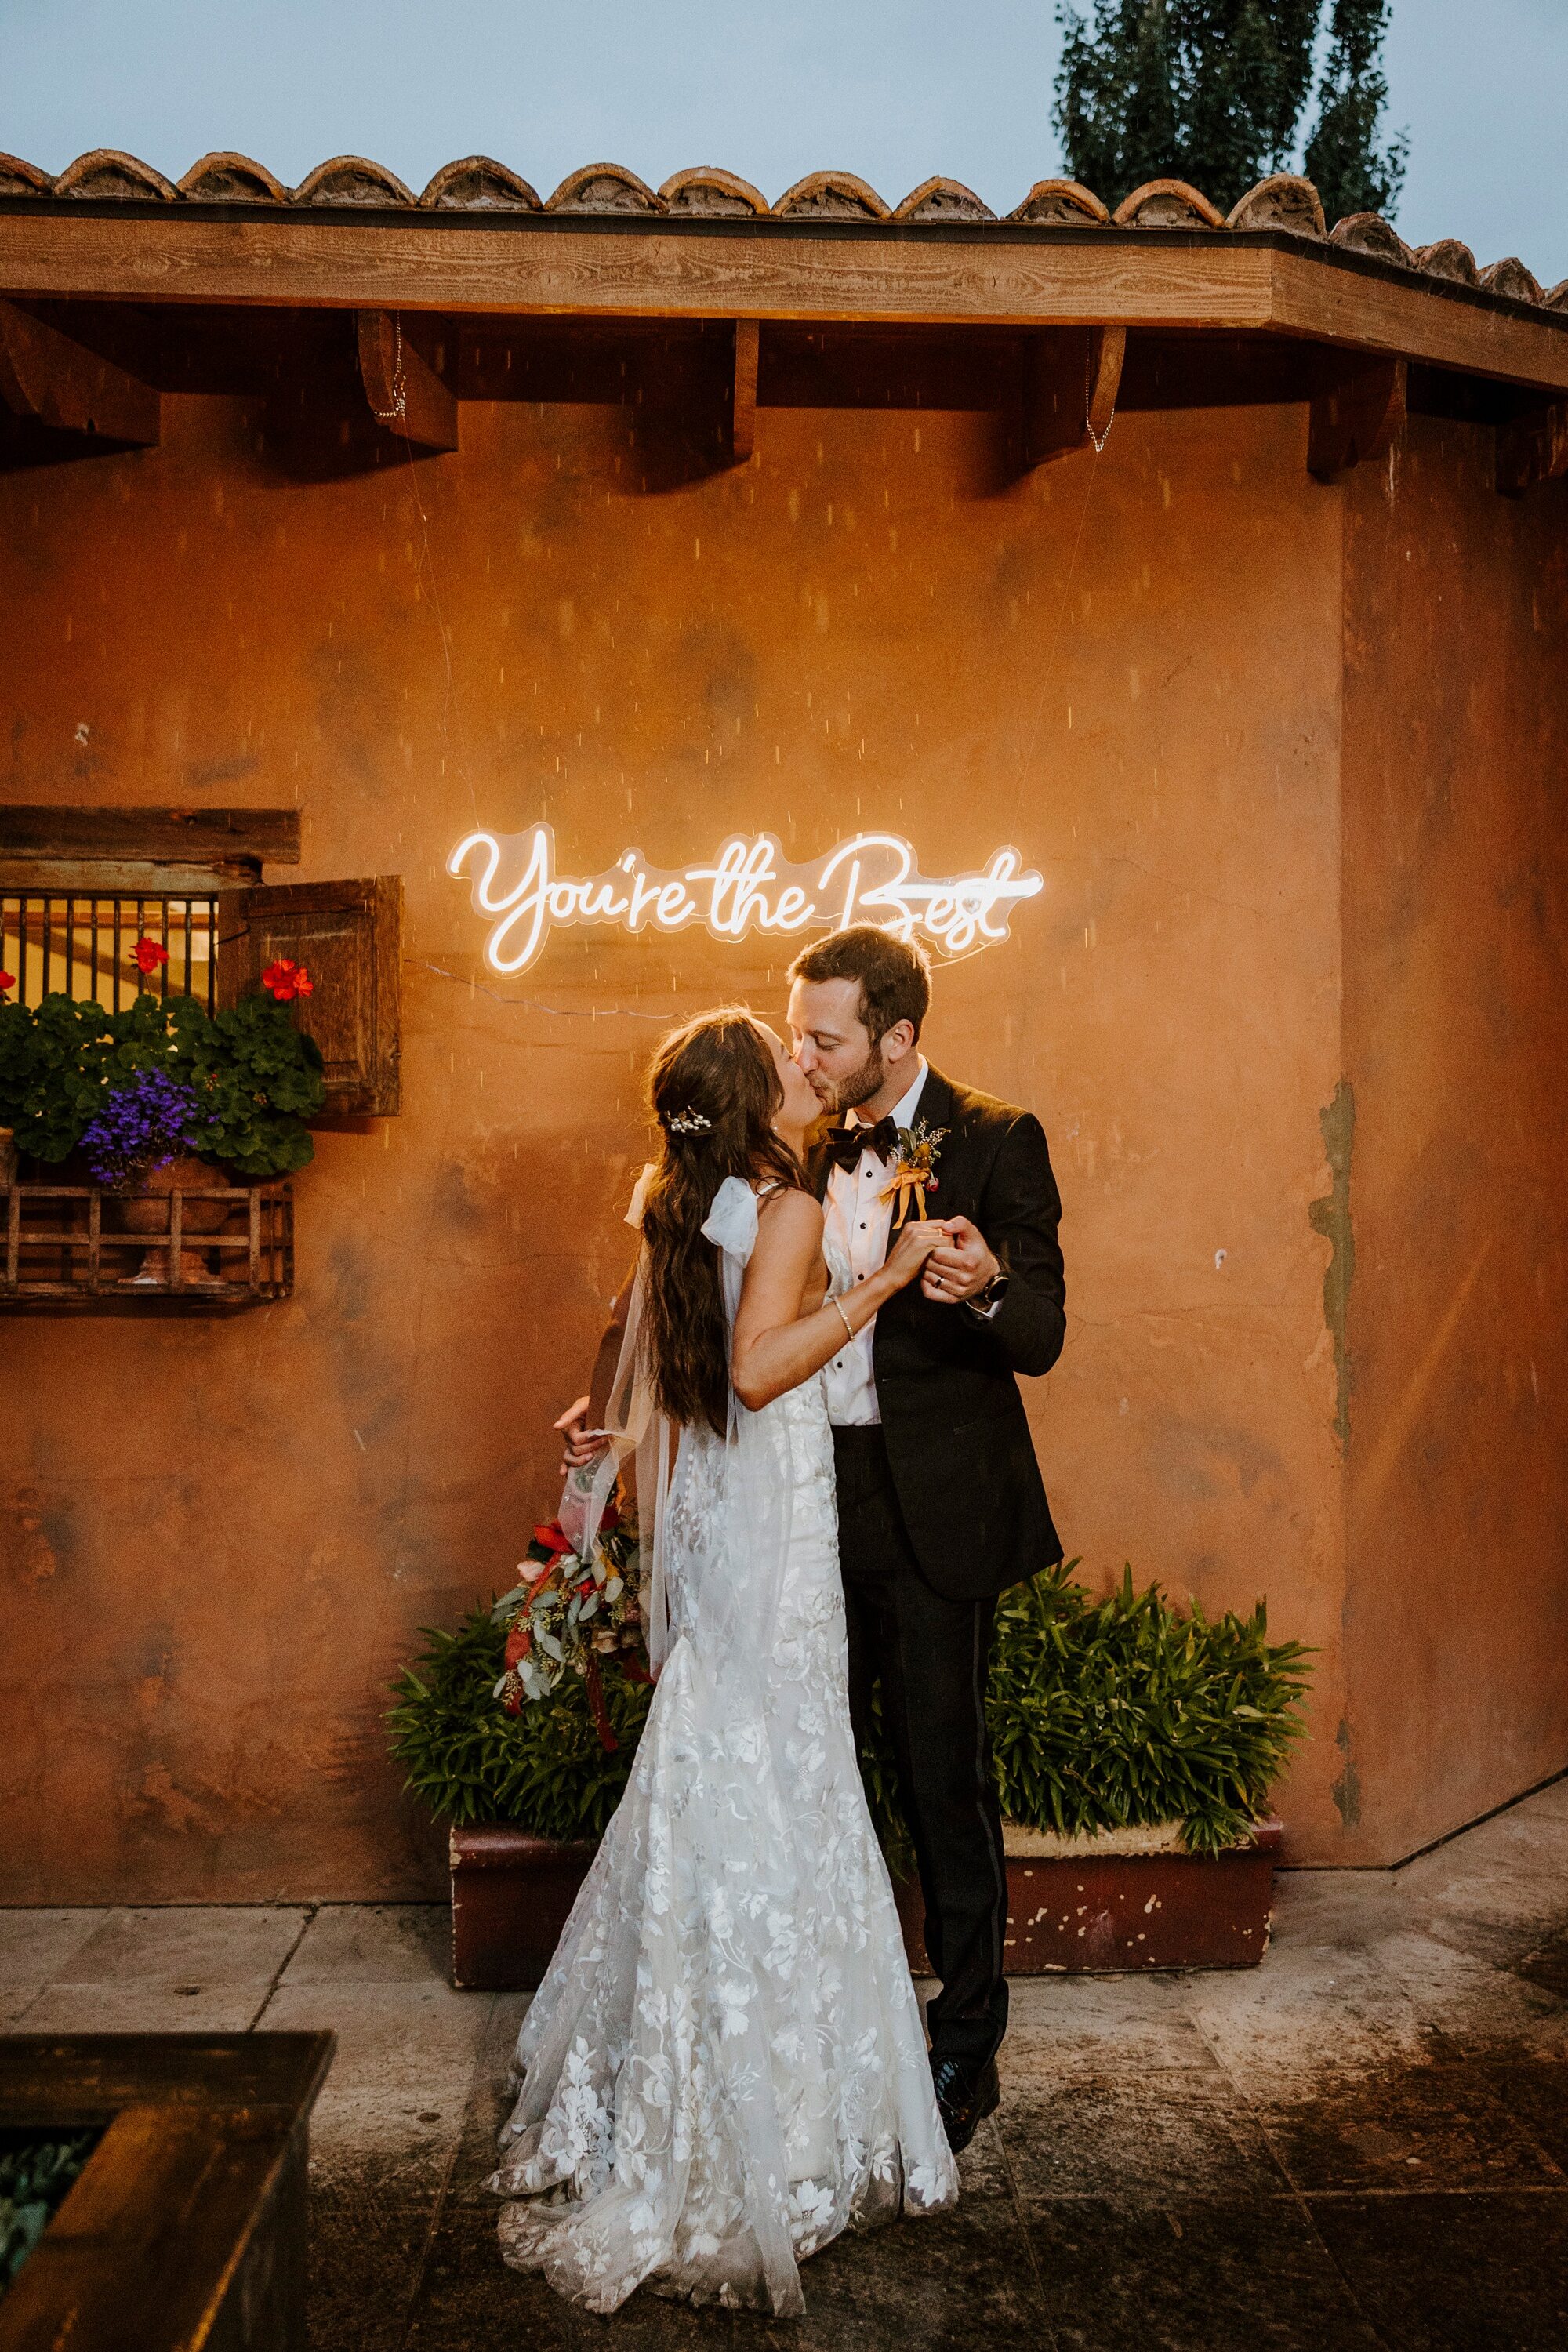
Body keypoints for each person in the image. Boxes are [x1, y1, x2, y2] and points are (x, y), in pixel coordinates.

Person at [493, 1007, 960, 2317]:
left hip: (706, 1510)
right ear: (758, 1093)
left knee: (721, 1747)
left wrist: (610, 1414)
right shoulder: (787, 1203)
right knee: (778, 1758)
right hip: (763, 1508)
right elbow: (759, 1376)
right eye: (792, 1054)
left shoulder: (671, 1196)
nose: (810, 1066)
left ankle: (680, 2058)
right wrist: (880, 1279)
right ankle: (773, 2109)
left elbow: (629, 1335)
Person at [785, 927, 1065, 2151]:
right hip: (802, 1494)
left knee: (942, 1779)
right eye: (798, 1030)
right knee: (821, 1766)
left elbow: (1045, 1328)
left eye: (825, 1036)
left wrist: (986, 1287)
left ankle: (965, 2051)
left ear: (896, 1040)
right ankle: (839, 2027)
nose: (803, 1052)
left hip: (934, 1508)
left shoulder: (998, 1137)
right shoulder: (799, 1138)